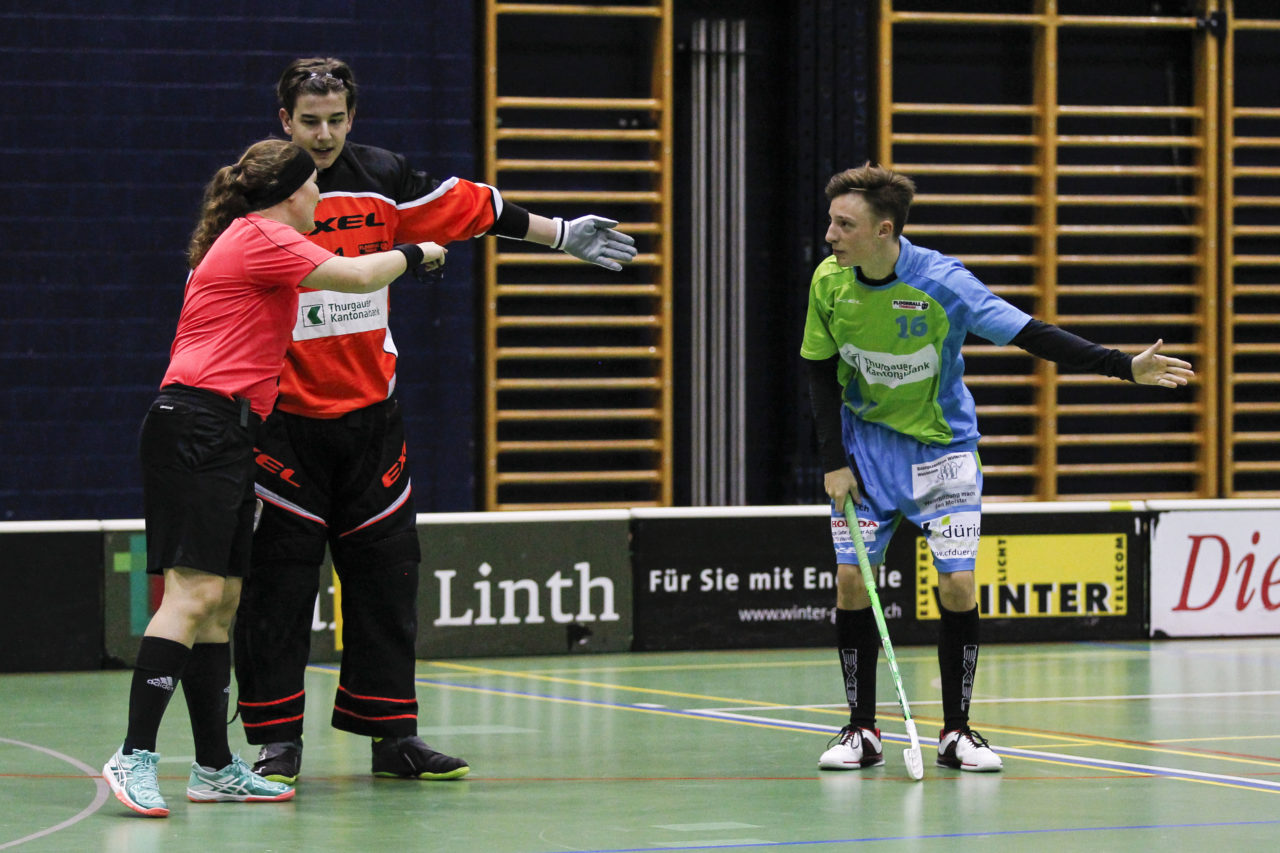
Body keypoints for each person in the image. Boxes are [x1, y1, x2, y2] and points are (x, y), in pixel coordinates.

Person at [232, 56, 637, 785]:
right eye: (309, 121)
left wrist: (560, 234)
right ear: (283, 120)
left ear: (351, 118)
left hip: (372, 422)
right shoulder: (261, 195)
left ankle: (394, 736)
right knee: (278, 591)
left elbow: (471, 209)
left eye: (335, 121)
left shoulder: (384, 175)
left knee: (388, 581)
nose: (323, 136)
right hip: (285, 422)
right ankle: (276, 742)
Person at [802, 163, 1194, 774]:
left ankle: (958, 731)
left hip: (943, 455)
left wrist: (1123, 366)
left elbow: (1029, 334)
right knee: (852, 583)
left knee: (957, 585)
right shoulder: (829, 280)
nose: (830, 234)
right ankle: (861, 729)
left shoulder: (944, 283)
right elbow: (819, 368)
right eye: (831, 221)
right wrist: (833, 461)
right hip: (866, 453)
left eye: (843, 224)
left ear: (883, 230)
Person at [103, 138, 446, 818]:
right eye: (315, 185)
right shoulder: (262, 235)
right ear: (292, 192)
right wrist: (417, 253)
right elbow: (355, 276)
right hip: (196, 426)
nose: (324, 194)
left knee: (224, 601)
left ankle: (214, 767)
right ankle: (134, 754)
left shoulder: (263, 241)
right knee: (191, 596)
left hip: (232, 433)